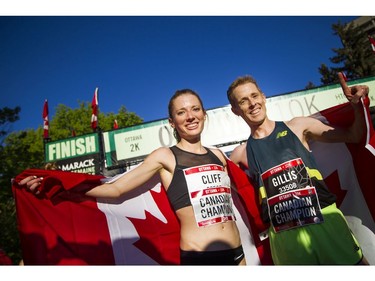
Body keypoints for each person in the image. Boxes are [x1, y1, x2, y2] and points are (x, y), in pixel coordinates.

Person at [19, 89, 246, 266]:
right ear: (171, 121)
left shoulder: (218, 155)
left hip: (237, 254)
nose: (190, 116)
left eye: (195, 109)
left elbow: (242, 192)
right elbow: (115, 189)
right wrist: (61, 186)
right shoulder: (165, 156)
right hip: (200, 259)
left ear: (204, 114)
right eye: (181, 112)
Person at [226, 73, 370, 265]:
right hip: (285, 238)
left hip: (325, 221)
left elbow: (354, 135)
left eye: (254, 96)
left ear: (263, 96)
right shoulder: (240, 153)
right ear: (235, 110)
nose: (252, 103)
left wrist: (357, 106)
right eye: (243, 101)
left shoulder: (298, 126)